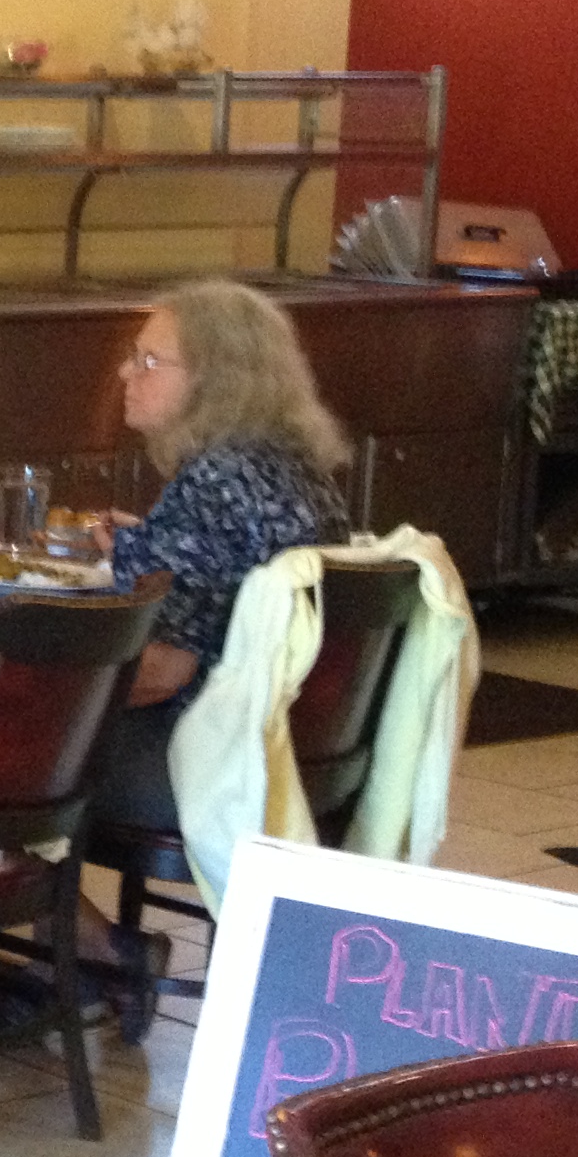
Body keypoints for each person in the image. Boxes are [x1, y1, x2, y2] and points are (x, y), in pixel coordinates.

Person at [94, 281, 350, 829]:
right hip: (301, 755)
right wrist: (150, 545)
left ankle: (24, 882)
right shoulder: (299, 468)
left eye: (149, 360)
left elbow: (162, 672)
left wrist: (41, 690)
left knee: (3, 751)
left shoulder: (214, 481)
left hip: (211, 765)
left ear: (215, 382)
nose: (125, 372)